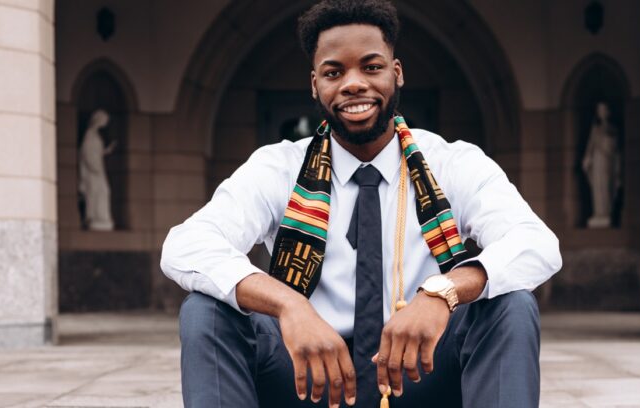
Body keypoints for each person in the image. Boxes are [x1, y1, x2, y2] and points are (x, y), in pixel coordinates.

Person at [161, 1, 562, 407]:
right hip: (309, 377)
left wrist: (443, 292)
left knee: (510, 305)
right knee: (205, 311)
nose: (354, 84)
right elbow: (186, 245)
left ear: (397, 73)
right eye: (334, 72)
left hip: (418, 371)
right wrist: (290, 306)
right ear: (315, 84)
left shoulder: (452, 162)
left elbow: (536, 243)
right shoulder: (278, 166)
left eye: (371, 67)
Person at [582, 102, 621, 228]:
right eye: (599, 110)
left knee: (606, 186)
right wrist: (587, 158)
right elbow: (590, 145)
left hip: (607, 161)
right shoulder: (595, 129)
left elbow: (615, 148)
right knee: (597, 188)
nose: (601, 112)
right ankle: (598, 213)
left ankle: (606, 213)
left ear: (608, 111)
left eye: (603, 109)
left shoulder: (612, 129)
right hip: (597, 161)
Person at [78, 109, 116, 231]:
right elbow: (87, 152)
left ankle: (101, 218)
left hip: (98, 170)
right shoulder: (90, 135)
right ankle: (95, 217)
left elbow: (96, 152)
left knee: (103, 192)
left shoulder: (95, 135)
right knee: (97, 193)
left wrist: (107, 151)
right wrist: (94, 167)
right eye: (104, 120)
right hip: (94, 171)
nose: (105, 122)